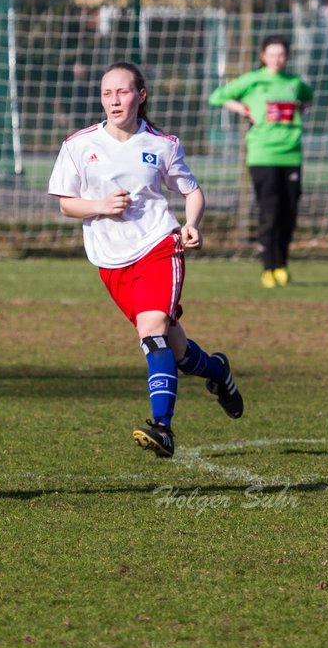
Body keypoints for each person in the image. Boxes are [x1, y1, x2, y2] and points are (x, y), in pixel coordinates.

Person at [48, 61, 244, 459]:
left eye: (122, 92)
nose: (114, 100)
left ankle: (163, 428)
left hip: (159, 247)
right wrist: (100, 206)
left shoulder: (162, 144)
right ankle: (218, 371)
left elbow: (192, 192)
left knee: (151, 333)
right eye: (107, 93)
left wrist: (191, 224)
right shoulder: (79, 145)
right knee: (177, 351)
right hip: (110, 260)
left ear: (141, 95)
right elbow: (67, 205)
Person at [208, 35, 314, 288]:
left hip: (292, 154)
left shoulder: (294, 83)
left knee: (289, 214)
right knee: (270, 212)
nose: (277, 59)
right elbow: (217, 97)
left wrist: (299, 110)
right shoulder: (253, 81)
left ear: (286, 57)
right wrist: (245, 110)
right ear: (262, 56)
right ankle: (267, 267)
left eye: (281, 54)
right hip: (262, 155)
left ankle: (282, 265)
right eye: (272, 54)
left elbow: (308, 98)